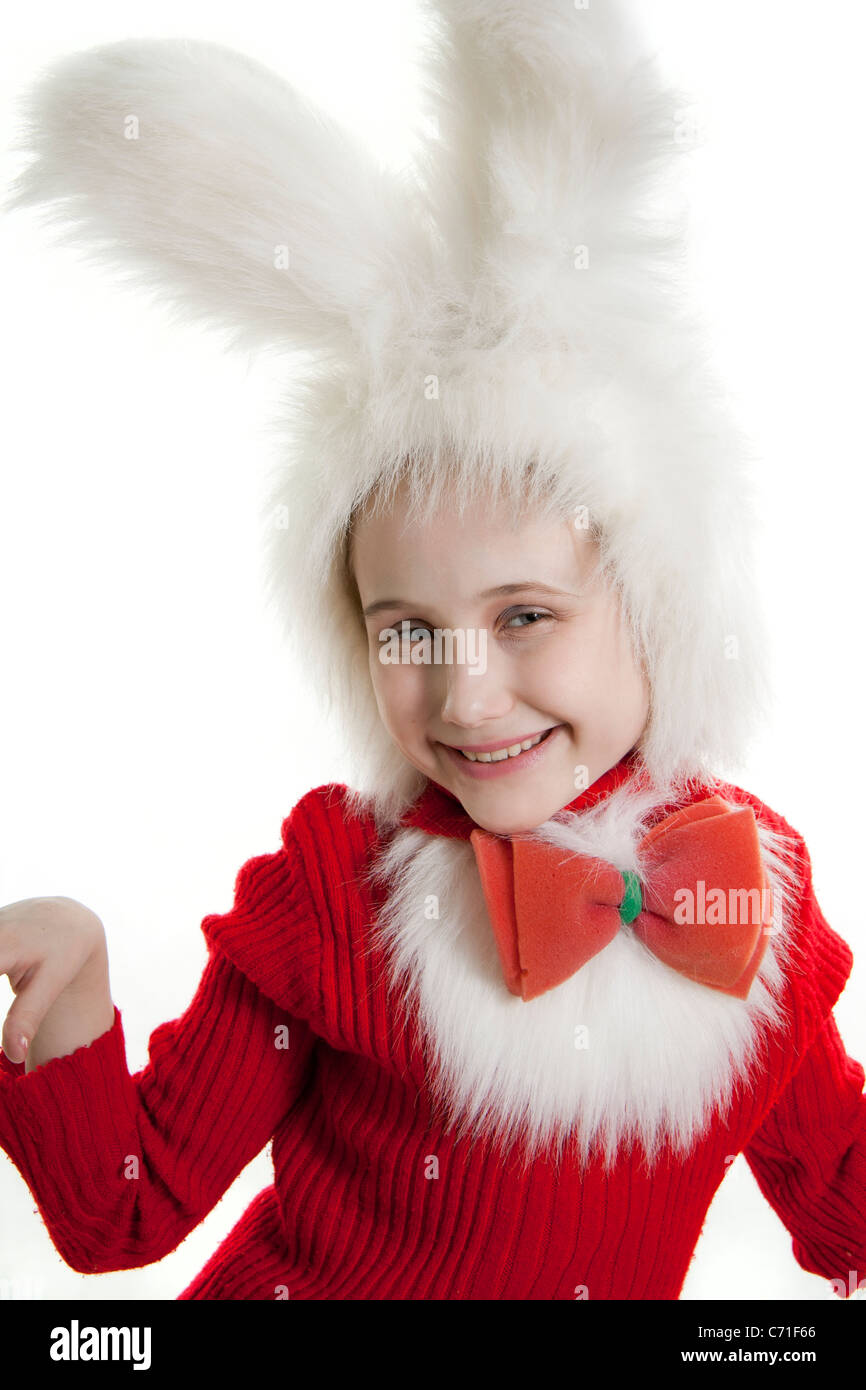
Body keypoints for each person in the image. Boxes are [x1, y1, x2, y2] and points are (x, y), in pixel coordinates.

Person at [1, 0, 863, 1300]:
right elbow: (122, 1216)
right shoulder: (336, 888)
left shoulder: (744, 903)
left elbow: (845, 1208)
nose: (463, 693)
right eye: (406, 629)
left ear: (658, 605)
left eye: (525, 613)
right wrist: (68, 987)